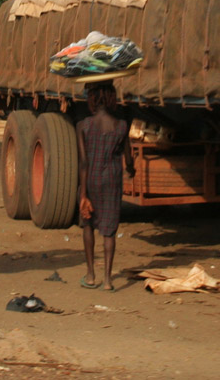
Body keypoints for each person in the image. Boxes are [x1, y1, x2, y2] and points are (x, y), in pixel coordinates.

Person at [77, 81, 135, 291]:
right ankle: (109, 281)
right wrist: (131, 169)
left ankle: (91, 275)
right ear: (112, 99)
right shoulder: (121, 126)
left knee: (88, 224)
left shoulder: (83, 125)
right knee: (109, 231)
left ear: (92, 99)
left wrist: (83, 194)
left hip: (90, 179)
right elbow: (128, 157)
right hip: (112, 179)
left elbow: (83, 162)